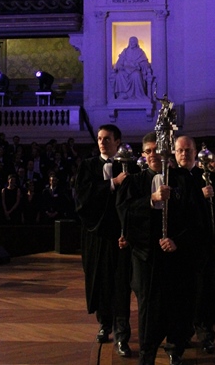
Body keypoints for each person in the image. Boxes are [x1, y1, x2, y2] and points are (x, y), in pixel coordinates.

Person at [116, 132, 203, 365]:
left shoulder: (183, 179)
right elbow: (124, 214)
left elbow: (197, 220)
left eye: (158, 149)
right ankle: (147, 354)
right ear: (143, 155)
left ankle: (175, 347)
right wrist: (151, 200)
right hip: (146, 258)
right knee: (148, 309)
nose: (154, 155)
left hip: (176, 257)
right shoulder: (134, 182)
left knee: (178, 304)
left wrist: (178, 241)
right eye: (149, 151)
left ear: (167, 151)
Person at [75, 124, 133, 358]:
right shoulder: (87, 166)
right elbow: (82, 199)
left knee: (120, 284)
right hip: (95, 235)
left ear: (118, 141)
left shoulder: (127, 166)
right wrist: (112, 184)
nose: (102, 142)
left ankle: (122, 333)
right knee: (99, 279)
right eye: (99, 138)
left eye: (107, 138)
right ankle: (104, 324)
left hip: (120, 237)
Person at [173, 136, 215, 354]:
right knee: (182, 296)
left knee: (204, 294)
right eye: (180, 150)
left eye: (188, 150)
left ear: (195, 152)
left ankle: (206, 335)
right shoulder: (171, 178)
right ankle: (181, 336)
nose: (184, 154)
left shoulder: (207, 177)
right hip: (181, 247)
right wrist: (199, 198)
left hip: (203, 246)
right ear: (174, 153)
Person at [110, 36, 153, 100]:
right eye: (131, 41)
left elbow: (146, 64)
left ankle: (138, 94)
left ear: (136, 43)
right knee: (120, 75)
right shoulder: (125, 51)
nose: (132, 43)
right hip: (125, 70)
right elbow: (119, 62)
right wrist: (120, 67)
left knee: (136, 75)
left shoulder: (140, 52)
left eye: (133, 41)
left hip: (135, 70)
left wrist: (138, 65)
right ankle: (123, 94)